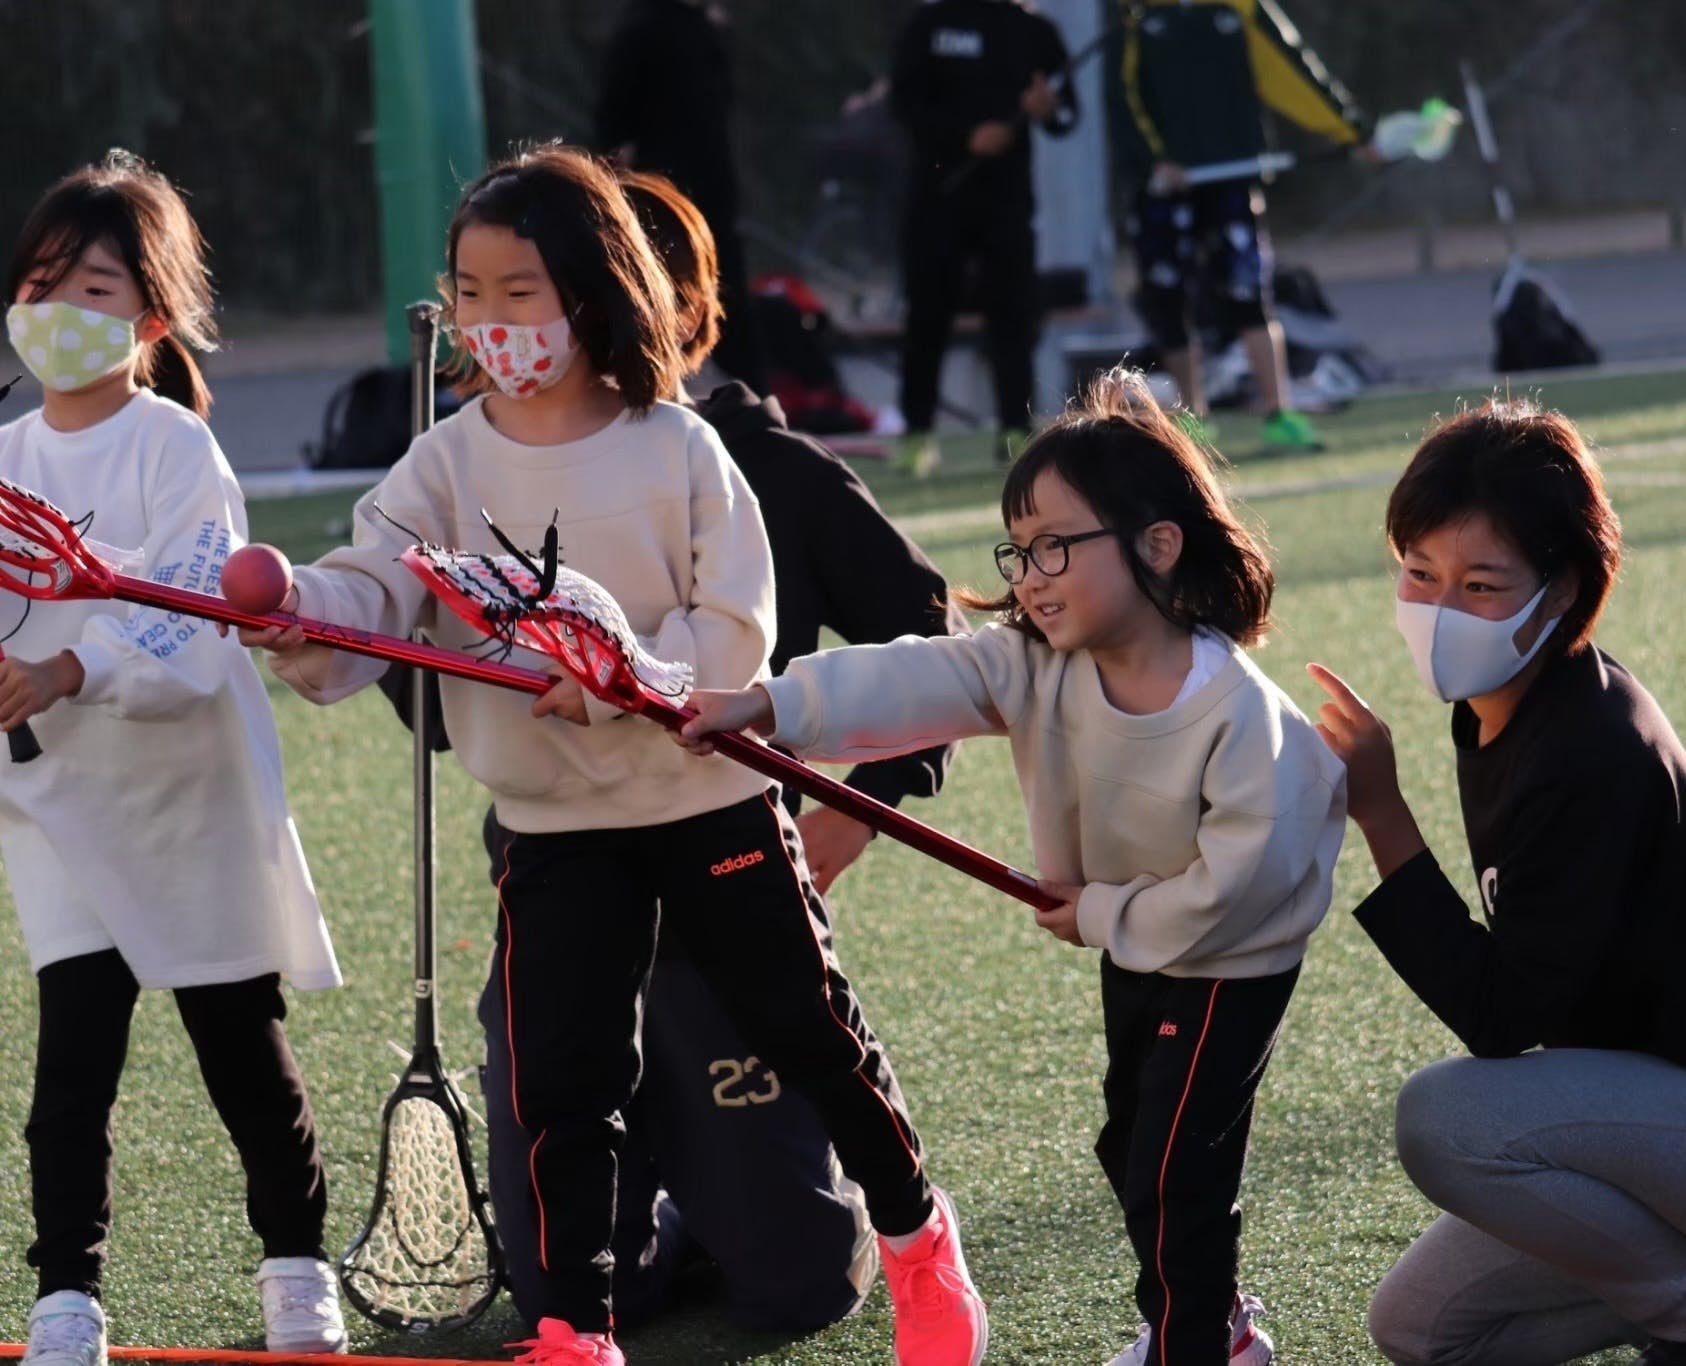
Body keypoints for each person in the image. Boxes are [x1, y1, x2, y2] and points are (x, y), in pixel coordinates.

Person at [242, 143, 987, 1366]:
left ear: (592, 292)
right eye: (468, 292)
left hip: (708, 805)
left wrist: (615, 680)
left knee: (807, 1029)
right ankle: (574, 1332)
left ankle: (915, 1239)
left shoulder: (679, 447)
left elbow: (732, 629)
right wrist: (302, 616)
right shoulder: (443, 462)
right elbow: (373, 583)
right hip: (553, 829)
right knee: (563, 1082)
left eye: (518, 290)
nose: (490, 320)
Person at [677, 371, 1349, 1366]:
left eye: (1054, 547)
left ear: (1158, 544)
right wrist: (768, 706)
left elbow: (1241, 890)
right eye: (1018, 549)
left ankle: (1196, 1345)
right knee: (1132, 1143)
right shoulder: (1036, 660)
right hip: (1136, 940)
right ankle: (1215, 1326)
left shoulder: (1244, 720)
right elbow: (918, 675)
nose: (1030, 576)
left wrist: (1105, 912)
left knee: (1175, 1167)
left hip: (1230, 960)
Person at [1307, 400, 1686, 1366]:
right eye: (1419, 573)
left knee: (1441, 1117)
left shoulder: (1586, 743)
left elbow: (1501, 1017)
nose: (1438, 609)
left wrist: (1382, 815)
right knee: (1425, 1332)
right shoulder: (1505, 706)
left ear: (1560, 591)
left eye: (1480, 585)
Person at [0, 150, 347, 1365]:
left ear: (149, 321)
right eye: (41, 282)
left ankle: (296, 1267)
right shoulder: (6, 455)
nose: (59, 310)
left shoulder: (174, 447)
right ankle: (66, 1297)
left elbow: (193, 608)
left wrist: (70, 668)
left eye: (92, 289)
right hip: (60, 803)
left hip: (186, 796)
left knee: (239, 1046)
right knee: (71, 1070)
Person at [1115, 0, 1366, 454]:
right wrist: (1154, 161)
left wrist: (1352, 131)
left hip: (1231, 182)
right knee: (1169, 301)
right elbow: (1122, 96)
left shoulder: (1240, 8)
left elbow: (1292, 72)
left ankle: (1279, 414)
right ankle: (1191, 422)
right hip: (1162, 190)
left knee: (1250, 294)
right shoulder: (1138, 16)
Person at [887, 0, 1079, 475]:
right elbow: (903, 104)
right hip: (937, 198)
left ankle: (1015, 429)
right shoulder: (931, 23)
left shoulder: (1035, 32)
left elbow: (1066, 113)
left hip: (1007, 202)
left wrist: (1048, 108)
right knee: (927, 314)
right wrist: (965, 137)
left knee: (1013, 313)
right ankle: (917, 432)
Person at [595, 0, 765, 392]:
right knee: (655, 290)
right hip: (661, 192)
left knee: (725, 293)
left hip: (711, 190)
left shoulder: (707, 27)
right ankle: (648, 387)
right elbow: (613, 119)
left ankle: (753, 393)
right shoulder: (643, 28)